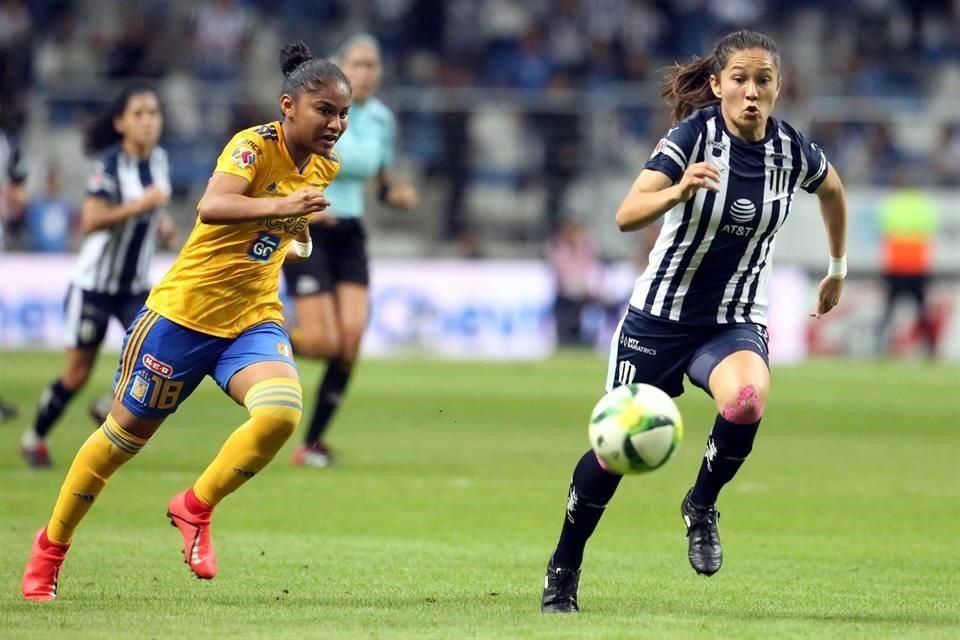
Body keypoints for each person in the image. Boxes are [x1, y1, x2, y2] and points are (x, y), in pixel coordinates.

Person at [21, 40, 350, 601]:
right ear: (288, 105)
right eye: (326, 111)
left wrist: (294, 235)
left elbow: (279, 226)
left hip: (251, 319)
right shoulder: (251, 147)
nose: (337, 123)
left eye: (344, 113)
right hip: (182, 317)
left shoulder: (325, 164)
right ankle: (48, 550)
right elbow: (213, 207)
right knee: (118, 444)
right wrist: (281, 210)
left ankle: (195, 507)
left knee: (279, 415)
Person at [540, 29, 848, 613]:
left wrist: (837, 267)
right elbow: (627, 213)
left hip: (731, 321)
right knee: (613, 454)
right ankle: (564, 566)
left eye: (764, 81)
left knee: (747, 400)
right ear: (717, 85)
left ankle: (701, 503)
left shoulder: (793, 150)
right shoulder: (691, 137)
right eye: (739, 80)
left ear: (779, 86)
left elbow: (832, 190)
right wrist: (677, 191)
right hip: (658, 320)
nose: (752, 92)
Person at [19, 84, 176, 468]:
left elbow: (154, 209)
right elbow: (90, 220)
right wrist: (143, 206)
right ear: (121, 123)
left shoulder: (159, 160)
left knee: (160, 355)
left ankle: (110, 403)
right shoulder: (109, 165)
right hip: (95, 286)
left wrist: (162, 223)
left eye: (153, 113)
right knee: (76, 373)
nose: (147, 121)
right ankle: (34, 437)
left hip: (135, 285)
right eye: (138, 113)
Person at [283, 34, 417, 468]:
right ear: (340, 66)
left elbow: (379, 182)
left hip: (351, 231)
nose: (366, 72)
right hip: (309, 228)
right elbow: (286, 162)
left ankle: (312, 445)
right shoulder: (316, 109)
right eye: (358, 64)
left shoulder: (381, 120)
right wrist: (299, 204)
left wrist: (395, 194)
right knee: (322, 342)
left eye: (373, 65)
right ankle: (247, 335)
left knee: (350, 342)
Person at [876, 178, 939, 357]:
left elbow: (885, 233)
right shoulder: (924, 205)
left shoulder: (892, 204)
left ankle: (880, 345)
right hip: (917, 267)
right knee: (922, 310)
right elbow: (929, 234)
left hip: (896, 266)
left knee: (888, 310)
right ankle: (931, 347)